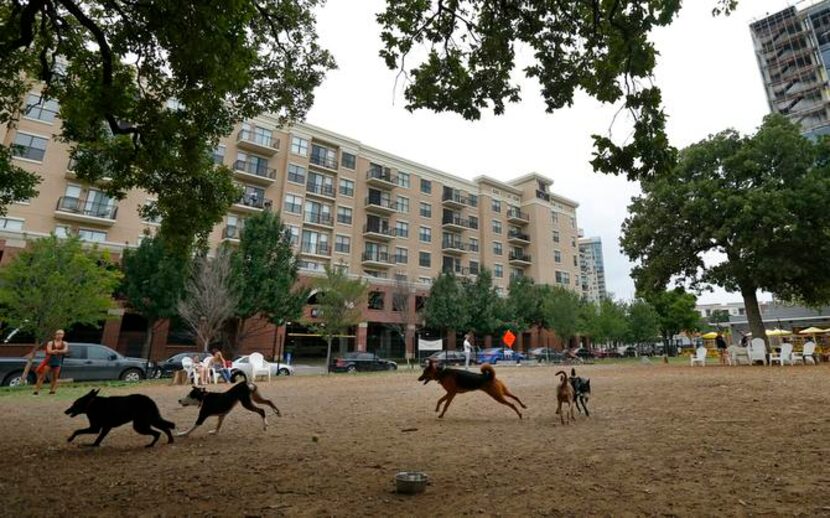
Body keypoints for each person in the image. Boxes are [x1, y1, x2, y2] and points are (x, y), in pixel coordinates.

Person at [33, 330, 69, 395]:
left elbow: (65, 350)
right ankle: (36, 391)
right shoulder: (50, 343)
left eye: (61, 334)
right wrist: (58, 351)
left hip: (58, 362)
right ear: (55, 335)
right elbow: (49, 351)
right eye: (58, 334)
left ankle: (52, 391)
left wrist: (56, 351)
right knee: (42, 376)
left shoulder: (65, 343)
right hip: (49, 362)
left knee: (55, 377)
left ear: (63, 335)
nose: (59, 335)